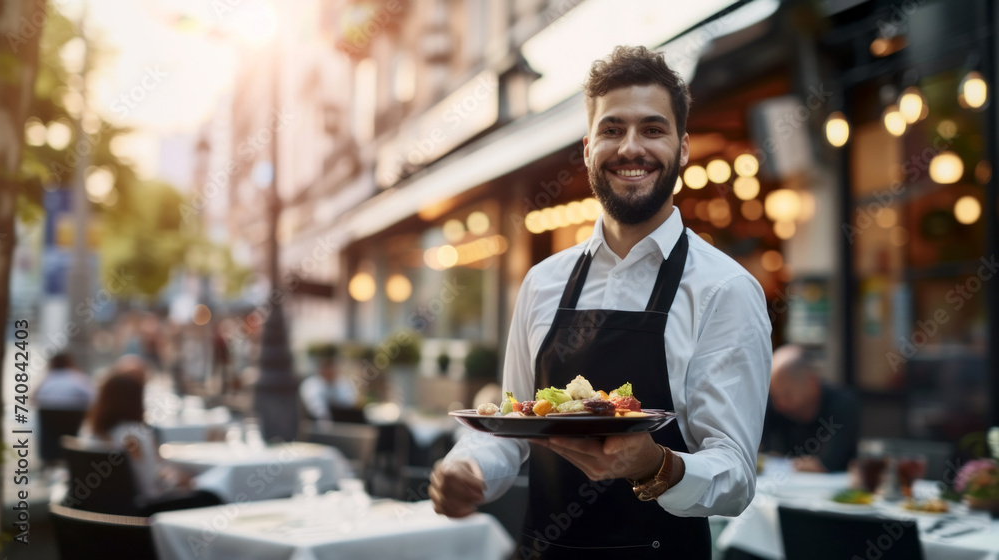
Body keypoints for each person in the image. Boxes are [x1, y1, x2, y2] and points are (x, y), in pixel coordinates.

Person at [429, 46, 772, 559]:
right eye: (612, 130)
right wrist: (469, 467)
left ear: (682, 149)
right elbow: (511, 425)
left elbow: (736, 474)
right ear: (589, 147)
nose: (630, 147)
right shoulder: (543, 282)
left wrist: (655, 465)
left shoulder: (726, 289)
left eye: (653, 130)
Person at [79, 356, 194, 499]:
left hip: (98, 508)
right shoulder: (135, 435)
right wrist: (180, 480)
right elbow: (150, 484)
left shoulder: (90, 431)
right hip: (142, 510)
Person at [760, 344, 859, 472]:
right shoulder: (774, 404)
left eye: (787, 395)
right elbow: (761, 453)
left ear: (812, 382)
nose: (779, 403)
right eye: (775, 395)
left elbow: (829, 463)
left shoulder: (843, 405)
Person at [299, 353, 359, 420]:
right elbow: (317, 409)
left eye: (333, 366)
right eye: (328, 367)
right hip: (317, 424)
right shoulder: (311, 384)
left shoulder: (343, 382)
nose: (331, 370)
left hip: (344, 422)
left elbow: (350, 402)